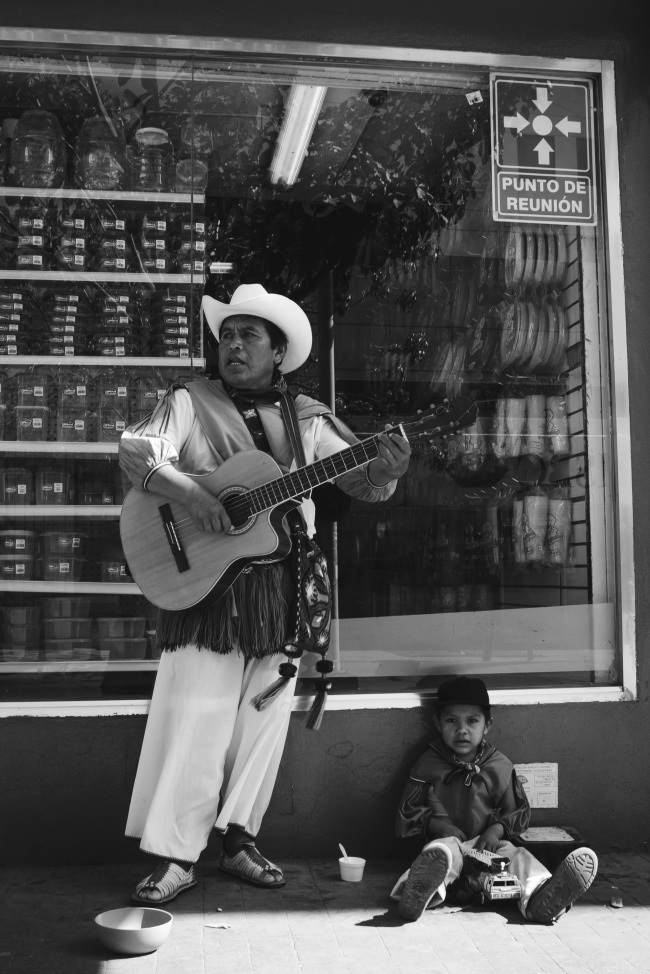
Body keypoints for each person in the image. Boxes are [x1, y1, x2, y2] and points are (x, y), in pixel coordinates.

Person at [119, 283, 411, 904]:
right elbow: (137, 450)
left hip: (283, 590)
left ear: (279, 352)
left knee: (263, 720)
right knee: (198, 717)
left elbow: (359, 477)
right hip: (209, 588)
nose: (233, 345)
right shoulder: (189, 401)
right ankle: (175, 854)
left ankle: (239, 839)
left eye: (249, 335)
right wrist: (196, 497)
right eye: (227, 335)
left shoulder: (306, 415)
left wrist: (384, 469)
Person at [391, 676, 598, 922]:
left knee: (517, 855)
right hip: (448, 842)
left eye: (472, 721)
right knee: (440, 854)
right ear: (437, 723)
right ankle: (414, 893)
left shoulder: (499, 765)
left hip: (486, 847)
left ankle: (542, 896)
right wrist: (437, 826)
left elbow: (517, 812)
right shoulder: (427, 763)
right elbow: (407, 812)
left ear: (487, 725)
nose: (462, 730)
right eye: (451, 720)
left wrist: (496, 831)